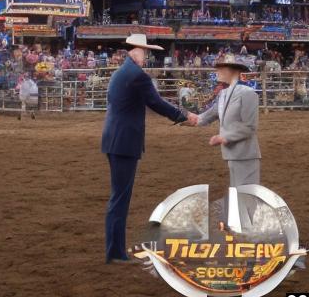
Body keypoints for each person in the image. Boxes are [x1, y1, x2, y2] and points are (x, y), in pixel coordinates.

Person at [101, 33, 188, 264]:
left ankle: (115, 250)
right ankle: (115, 252)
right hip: (124, 142)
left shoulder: (120, 73)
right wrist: (182, 116)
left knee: (118, 196)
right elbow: (156, 102)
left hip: (114, 139)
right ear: (138, 50)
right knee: (120, 198)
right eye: (146, 52)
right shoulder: (137, 76)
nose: (147, 56)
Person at [184, 54, 261, 229]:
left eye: (221, 68)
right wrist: (194, 119)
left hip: (245, 153)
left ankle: (249, 232)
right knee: (238, 193)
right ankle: (241, 230)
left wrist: (225, 137)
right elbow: (209, 115)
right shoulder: (224, 94)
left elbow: (250, 127)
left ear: (233, 71)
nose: (217, 71)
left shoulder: (248, 94)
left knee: (246, 195)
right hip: (233, 154)